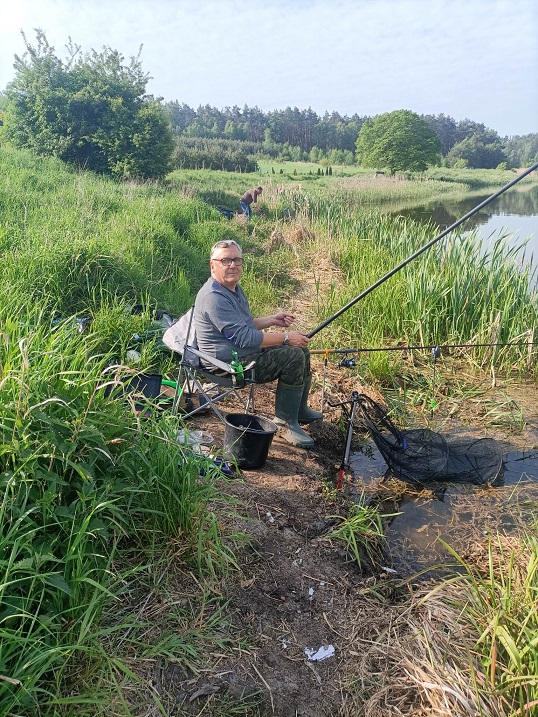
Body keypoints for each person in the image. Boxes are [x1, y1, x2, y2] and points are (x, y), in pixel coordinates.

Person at [194, 239, 323, 448]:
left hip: (241, 354)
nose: (233, 265)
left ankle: (298, 411)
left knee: (301, 349)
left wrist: (272, 320)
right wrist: (286, 337)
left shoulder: (233, 288)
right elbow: (244, 337)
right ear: (212, 265)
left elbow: (244, 325)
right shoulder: (213, 297)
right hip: (226, 366)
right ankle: (285, 424)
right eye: (225, 260)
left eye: (237, 260)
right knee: (293, 355)